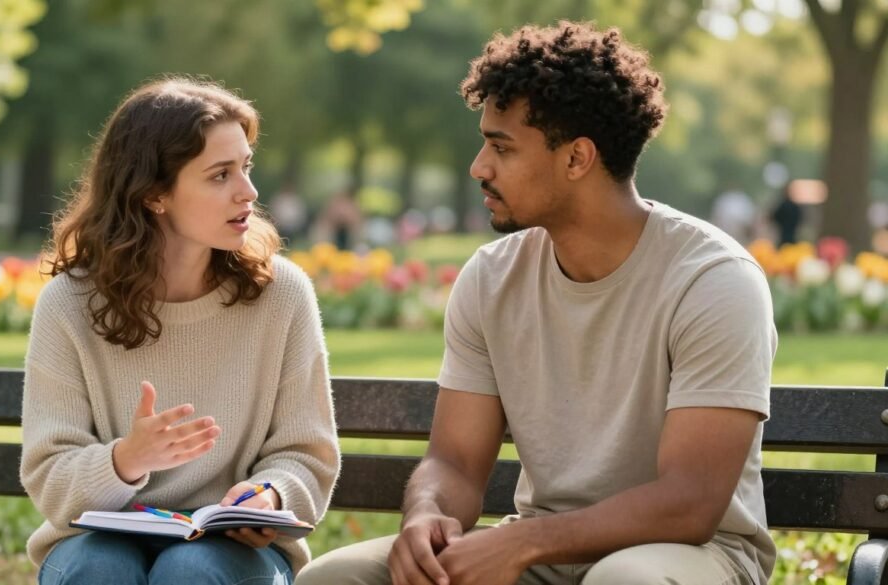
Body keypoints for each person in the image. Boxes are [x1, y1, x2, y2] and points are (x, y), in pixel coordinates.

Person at [298, 21, 775, 585]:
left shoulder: (713, 281)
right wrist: (427, 512)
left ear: (577, 159)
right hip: (541, 552)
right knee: (338, 579)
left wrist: (524, 541)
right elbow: (454, 461)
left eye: (501, 147)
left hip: (693, 554)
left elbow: (689, 503)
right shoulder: (492, 278)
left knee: (625, 581)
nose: (479, 166)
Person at [19, 77, 340, 585]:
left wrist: (270, 495)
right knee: (103, 570)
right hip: (93, 544)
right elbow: (50, 474)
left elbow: (306, 454)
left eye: (246, 167)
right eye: (220, 175)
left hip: (233, 551)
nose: (249, 192)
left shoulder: (282, 294)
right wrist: (127, 459)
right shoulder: (69, 304)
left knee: (189, 569)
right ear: (153, 195)